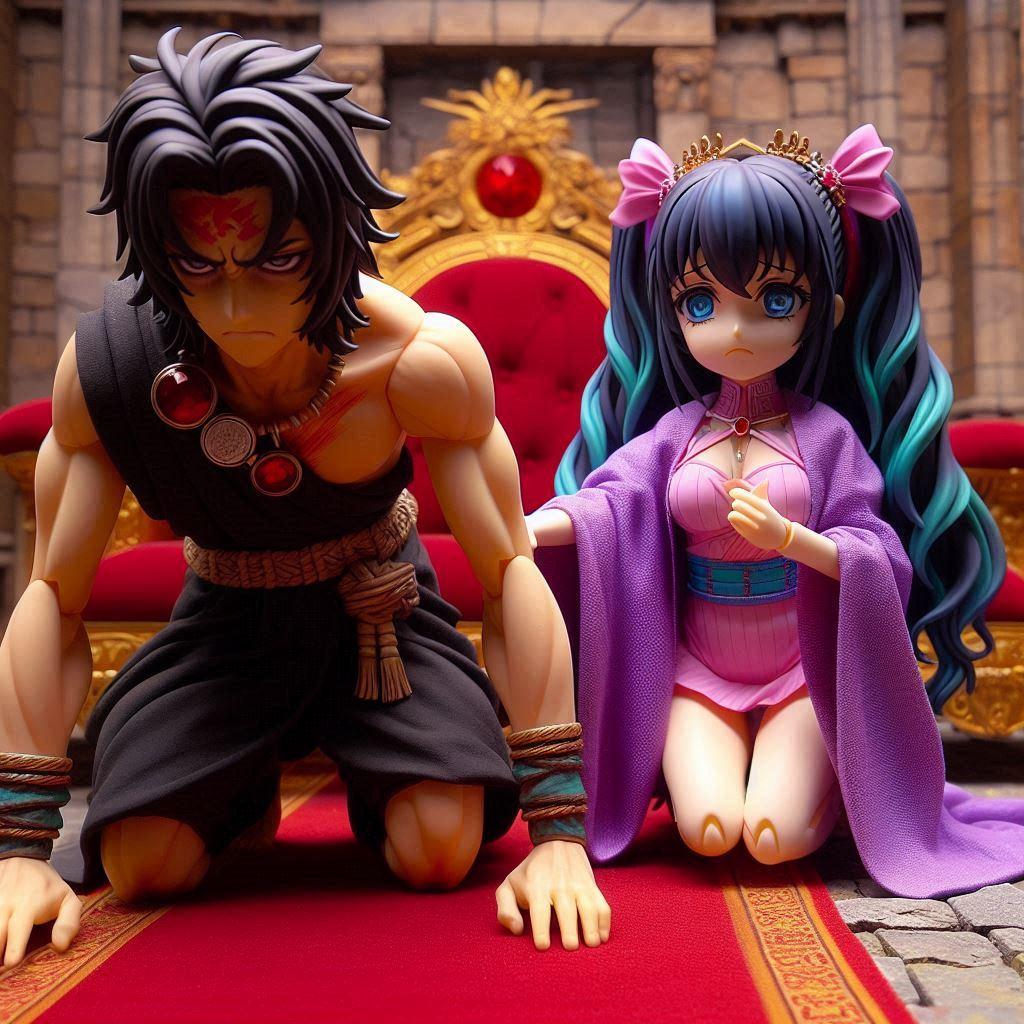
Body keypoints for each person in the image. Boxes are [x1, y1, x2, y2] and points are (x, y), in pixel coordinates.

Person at [0, 29, 610, 967]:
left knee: (439, 850)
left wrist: (558, 834)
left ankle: (379, 781)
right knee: (144, 865)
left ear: (328, 232)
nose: (235, 307)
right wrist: (20, 848)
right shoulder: (113, 369)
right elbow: (52, 594)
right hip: (226, 622)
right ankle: (233, 791)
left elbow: (509, 572)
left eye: (275, 261)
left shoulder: (415, 360)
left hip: (380, 620)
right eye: (200, 266)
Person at [529, 126, 1024, 897]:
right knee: (710, 829)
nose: (735, 329)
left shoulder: (825, 437)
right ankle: (757, 768)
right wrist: (527, 528)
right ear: (671, 310)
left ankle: (837, 779)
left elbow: (877, 552)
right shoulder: (675, 433)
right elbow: (607, 508)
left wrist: (793, 539)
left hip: (800, 670)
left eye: (776, 299)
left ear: (824, 308)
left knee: (770, 837)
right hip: (698, 669)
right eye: (701, 301)